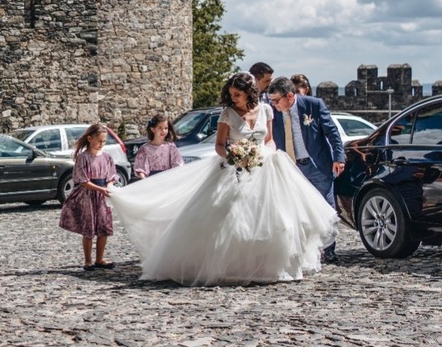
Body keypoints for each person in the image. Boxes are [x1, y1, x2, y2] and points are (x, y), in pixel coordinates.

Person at [112, 72, 337, 285]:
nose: (234, 98)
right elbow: (219, 145)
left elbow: (269, 139)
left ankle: (268, 266)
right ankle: (235, 267)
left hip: (264, 167)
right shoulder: (227, 114)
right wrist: (234, 155)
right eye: (231, 95)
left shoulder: (267, 110)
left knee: (275, 218)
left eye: (237, 94)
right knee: (234, 218)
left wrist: (263, 152)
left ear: (249, 93)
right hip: (234, 168)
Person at [268, 76, 346, 264]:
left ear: (289, 96)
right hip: (289, 167)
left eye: (277, 100)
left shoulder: (314, 105)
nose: (274, 105)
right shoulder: (272, 112)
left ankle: (329, 249)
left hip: (316, 164)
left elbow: (332, 132)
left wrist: (338, 158)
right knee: (296, 209)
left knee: (326, 208)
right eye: (272, 101)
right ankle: (302, 250)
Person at [58, 123, 118, 271]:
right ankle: (88, 260)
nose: (101, 144)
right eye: (99, 141)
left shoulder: (106, 157)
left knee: (104, 226)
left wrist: (109, 185)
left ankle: (100, 259)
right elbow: (83, 180)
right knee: (89, 227)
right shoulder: (83, 158)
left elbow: (112, 175)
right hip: (88, 195)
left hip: (103, 196)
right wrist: (100, 189)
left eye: (104, 141)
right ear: (90, 138)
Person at [131, 113, 183, 179]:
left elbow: (178, 165)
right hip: (152, 181)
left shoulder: (171, 147)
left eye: (166, 128)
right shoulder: (144, 149)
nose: (163, 131)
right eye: (160, 128)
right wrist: (145, 180)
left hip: (168, 180)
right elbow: (140, 169)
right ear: (153, 129)